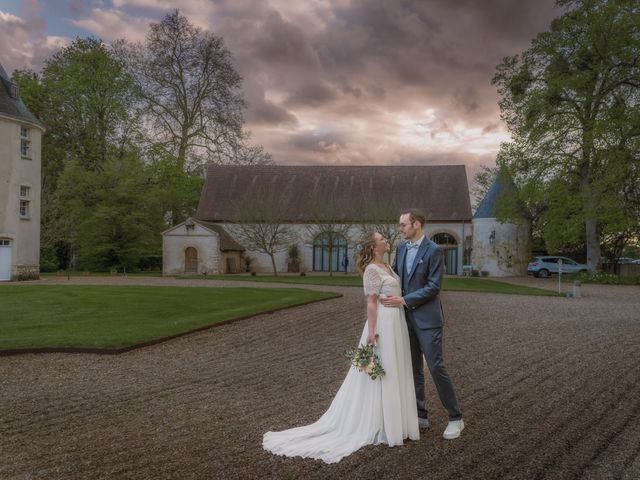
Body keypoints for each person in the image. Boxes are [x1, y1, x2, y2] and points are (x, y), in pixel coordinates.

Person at [263, 232, 419, 463]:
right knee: (381, 372)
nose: (387, 240)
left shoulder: (387, 265)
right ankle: (380, 423)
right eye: (382, 239)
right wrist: (372, 333)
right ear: (374, 246)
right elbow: (371, 303)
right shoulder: (371, 270)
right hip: (383, 324)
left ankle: (396, 421)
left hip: (397, 322)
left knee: (396, 368)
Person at [381, 208, 464, 440]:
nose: (400, 229)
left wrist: (404, 300)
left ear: (416, 224)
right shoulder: (400, 249)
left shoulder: (434, 250)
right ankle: (420, 415)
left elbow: (433, 287)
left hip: (428, 319)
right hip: (404, 319)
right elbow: (397, 278)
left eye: (403, 224)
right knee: (413, 368)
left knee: (436, 366)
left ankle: (456, 418)